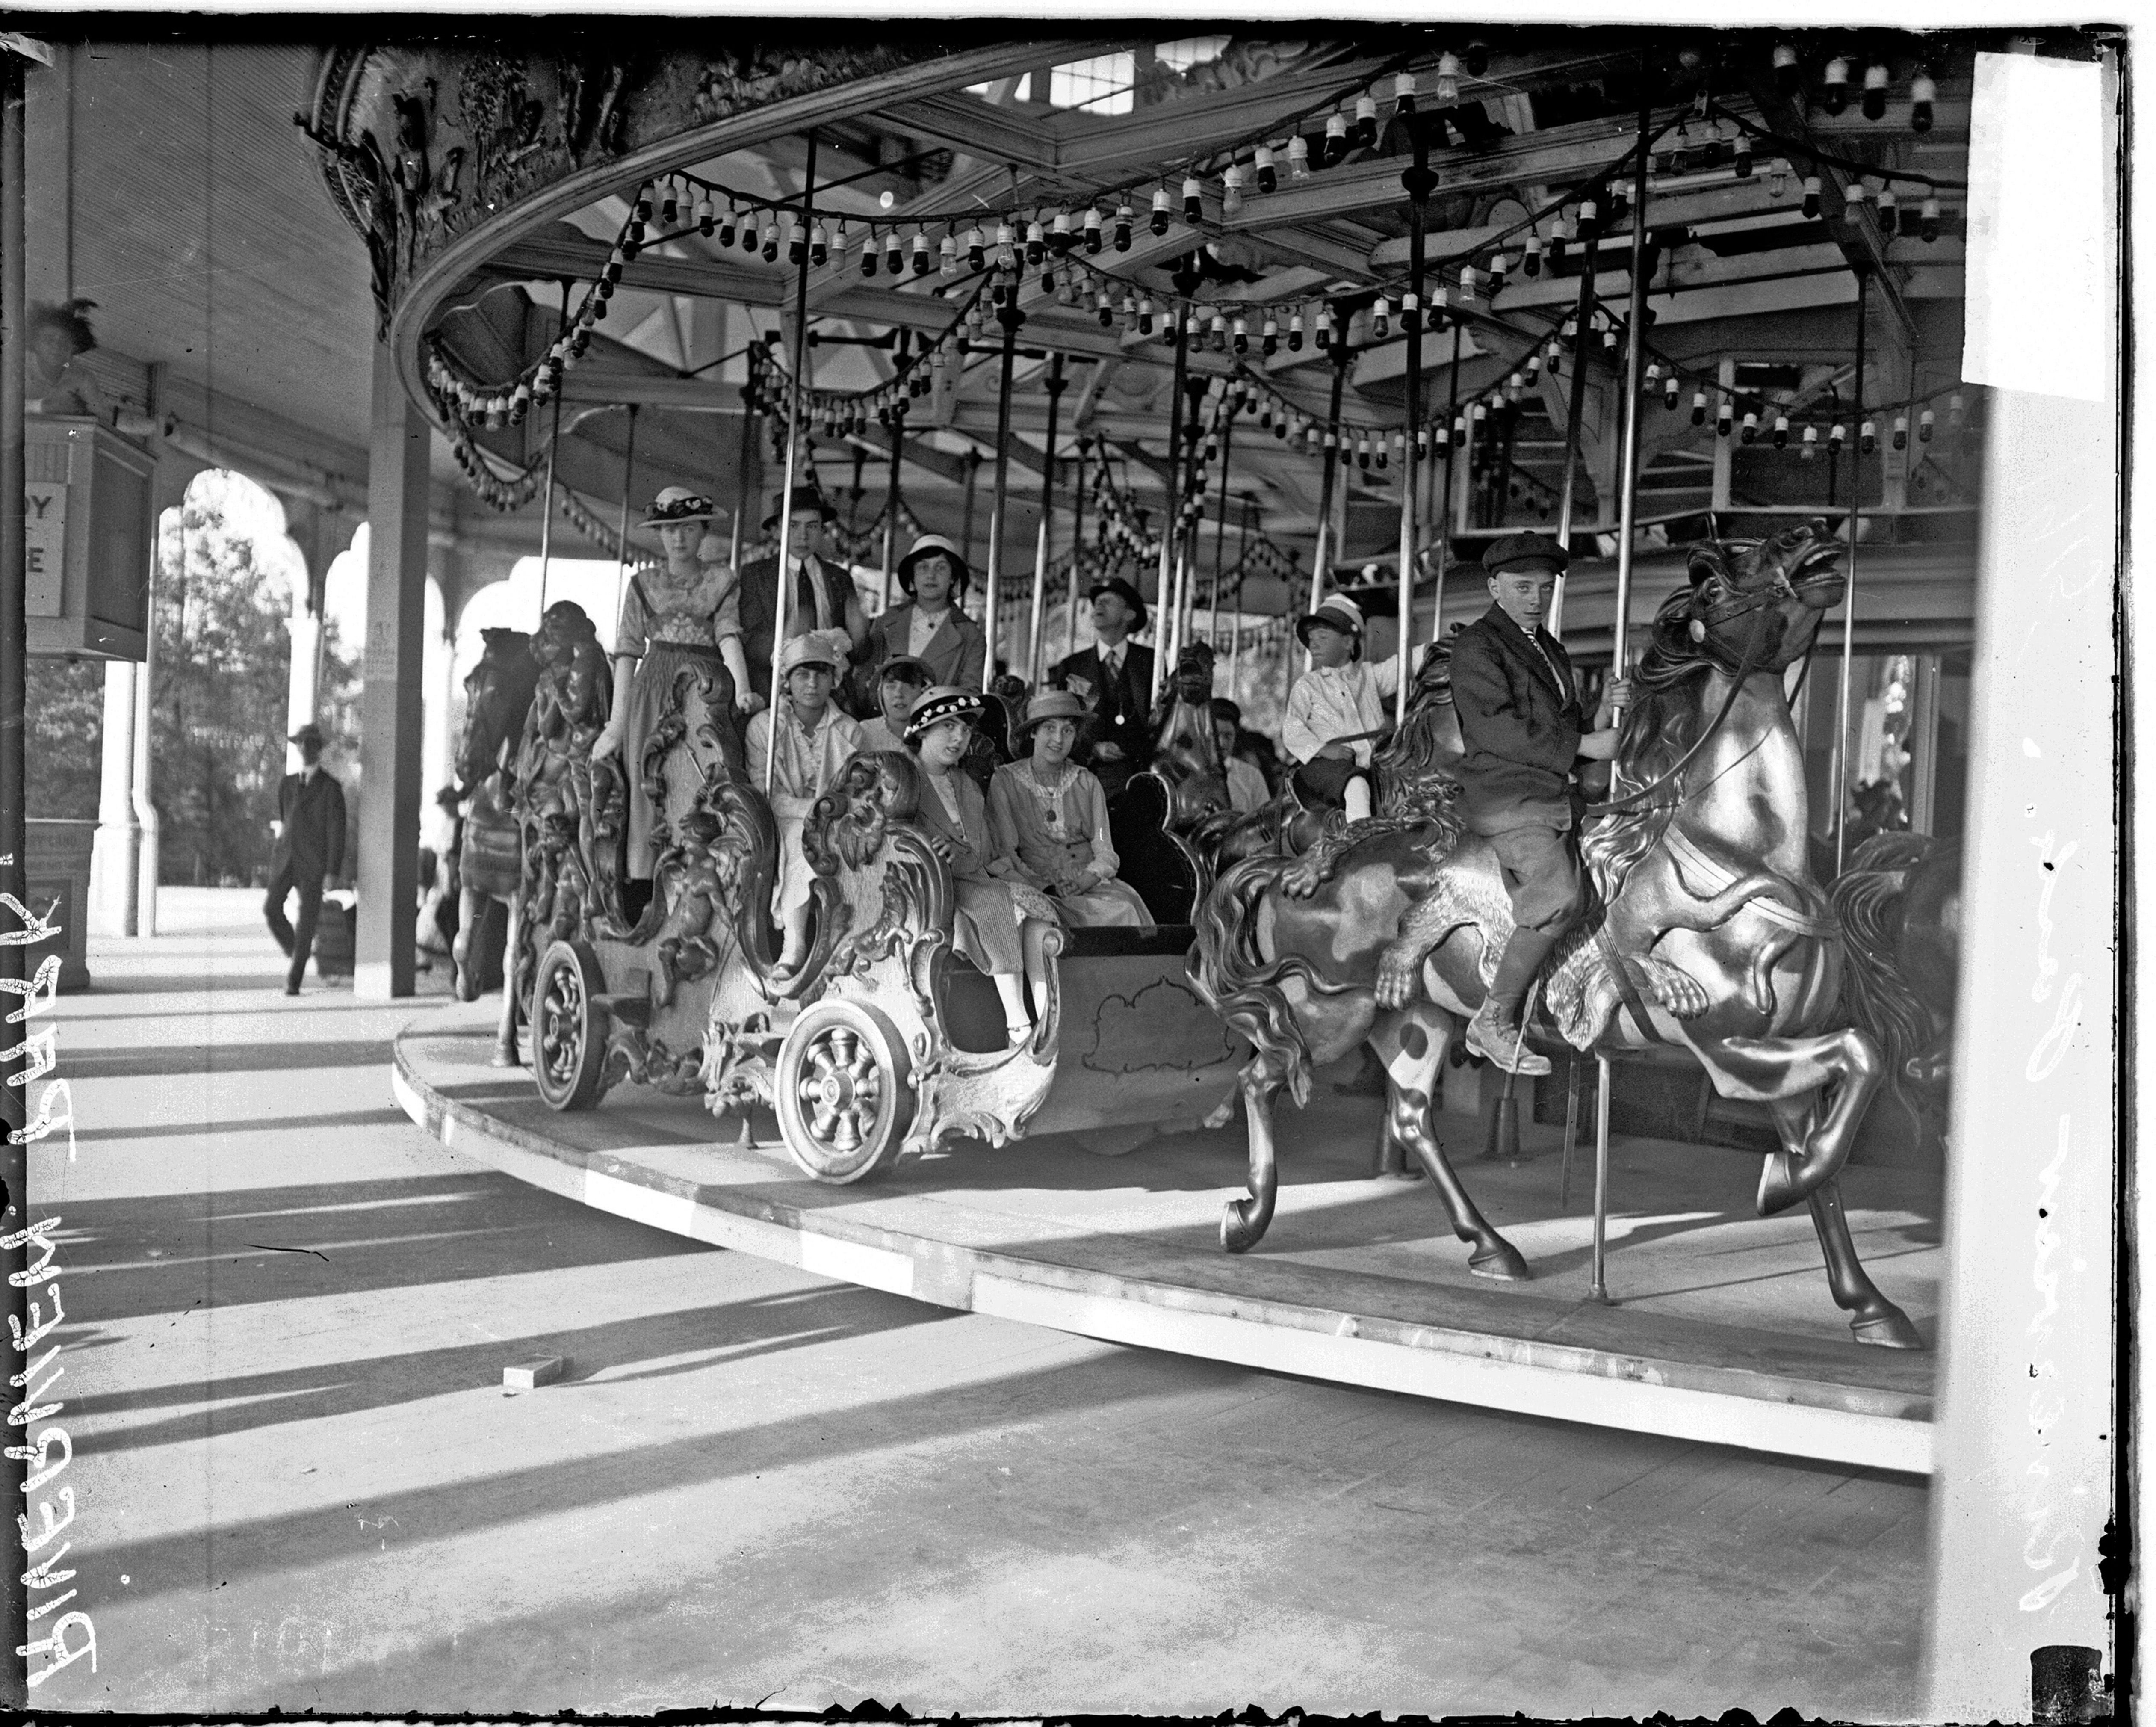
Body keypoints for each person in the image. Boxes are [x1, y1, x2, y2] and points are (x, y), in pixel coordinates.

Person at [1448, 532, 1628, 1074]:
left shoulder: (1547, 648)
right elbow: (1498, 729)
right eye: (1522, 587)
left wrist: (1597, 717)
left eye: (1543, 589)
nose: (1534, 597)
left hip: (1550, 790)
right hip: (1505, 793)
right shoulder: (1476, 646)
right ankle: (1492, 1019)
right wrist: (1583, 746)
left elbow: (1559, 723)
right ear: (1493, 587)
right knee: (1558, 892)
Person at [592, 487, 754, 880]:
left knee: (699, 778)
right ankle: (643, 878)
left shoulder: (721, 581)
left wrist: (743, 688)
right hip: (652, 687)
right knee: (647, 778)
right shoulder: (642, 585)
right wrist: (616, 723)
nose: (678, 538)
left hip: (703, 686)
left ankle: (700, 871)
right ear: (659, 535)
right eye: (669, 530)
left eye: (688, 529)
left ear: (702, 533)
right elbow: (628, 652)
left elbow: (728, 635)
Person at [905, 685, 1060, 1046]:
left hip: (977, 876)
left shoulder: (967, 785)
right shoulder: (906, 782)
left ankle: (1047, 1022)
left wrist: (1020, 876)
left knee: (1038, 914)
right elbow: (898, 837)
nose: (959, 738)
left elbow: (985, 849)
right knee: (994, 906)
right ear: (924, 731)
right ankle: (1018, 1025)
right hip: (936, 885)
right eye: (949, 727)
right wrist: (928, 847)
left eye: (965, 729)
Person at [747, 631, 864, 977]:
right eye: (802, 674)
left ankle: (854, 939)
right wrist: (811, 811)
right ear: (787, 680)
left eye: (821, 674)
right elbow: (766, 792)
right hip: (783, 817)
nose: (812, 683)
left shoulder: (851, 731)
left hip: (839, 818)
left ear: (834, 679)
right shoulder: (765, 728)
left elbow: (857, 789)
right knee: (803, 838)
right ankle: (794, 943)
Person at [990, 689, 1152, 929]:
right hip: (1035, 885)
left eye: (1068, 730)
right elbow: (1005, 852)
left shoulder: (1087, 783)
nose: (1058, 739)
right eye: (1049, 728)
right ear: (1033, 732)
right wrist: (1044, 887)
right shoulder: (1005, 781)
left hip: (1089, 885)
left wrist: (1085, 881)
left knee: (1124, 910)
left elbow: (1104, 848)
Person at [737, 483, 870, 713]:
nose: (803, 536)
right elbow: (749, 644)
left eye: (812, 526)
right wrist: (788, 637)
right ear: (777, 531)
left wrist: (859, 637)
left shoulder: (839, 578)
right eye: (794, 526)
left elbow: (858, 655)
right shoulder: (755, 576)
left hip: (829, 698)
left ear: (822, 532)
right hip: (774, 695)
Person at [1282, 594, 1398, 823]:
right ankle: (1360, 843)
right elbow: (1292, 727)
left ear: (1348, 642)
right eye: (1311, 639)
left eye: (1322, 638)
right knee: (1356, 786)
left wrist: (1444, 644)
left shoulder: (1369, 676)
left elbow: (1404, 664)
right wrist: (1323, 749)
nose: (1313, 645)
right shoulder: (1309, 685)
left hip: (1371, 762)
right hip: (1324, 766)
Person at [1049, 577, 1155, 798]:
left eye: (1108, 601)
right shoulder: (1073, 666)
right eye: (1097, 602)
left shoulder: (1150, 663)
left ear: (1129, 615)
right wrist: (1093, 748)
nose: (1098, 606)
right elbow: (1062, 720)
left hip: (1139, 772)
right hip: (1087, 770)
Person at [264, 722, 347, 996]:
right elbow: (286, 820)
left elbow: (337, 832)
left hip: (314, 864)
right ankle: (297, 950)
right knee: (271, 908)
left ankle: (294, 980)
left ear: (318, 749)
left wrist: (332, 871)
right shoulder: (287, 784)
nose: (304, 748)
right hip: (286, 860)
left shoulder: (331, 788)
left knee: (307, 921)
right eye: (300, 743)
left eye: (310, 743)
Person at [865, 534, 987, 693]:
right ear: (913, 576)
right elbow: (866, 679)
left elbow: (970, 693)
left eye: (941, 567)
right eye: (923, 567)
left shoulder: (970, 635)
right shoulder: (887, 621)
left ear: (953, 577)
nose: (931, 575)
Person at [26, 299, 112, 423]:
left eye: (64, 342)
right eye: (49, 340)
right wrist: (41, 407)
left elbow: (106, 417)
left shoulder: (82, 378)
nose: (57, 347)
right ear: (35, 343)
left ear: (74, 348)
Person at [856, 654, 931, 753]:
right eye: (891, 687)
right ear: (880, 692)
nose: (898, 694)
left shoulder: (934, 733)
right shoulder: (864, 732)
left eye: (909, 686)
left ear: (923, 692)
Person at [1208, 697, 1272, 812]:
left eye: (1228, 736)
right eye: (1214, 735)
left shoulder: (1252, 777)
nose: (1222, 743)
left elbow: (1265, 822)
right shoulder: (1190, 772)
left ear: (1236, 735)